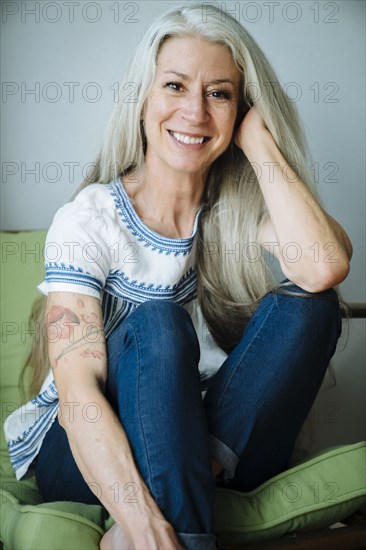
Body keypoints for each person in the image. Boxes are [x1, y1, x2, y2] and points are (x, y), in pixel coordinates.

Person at [4, 3, 352, 549]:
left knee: (313, 305)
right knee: (157, 322)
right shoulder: (90, 218)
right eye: (174, 86)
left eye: (219, 93)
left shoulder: (240, 210)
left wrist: (260, 142)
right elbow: (77, 395)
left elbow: (326, 264)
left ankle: (184, 478)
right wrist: (141, 522)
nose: (195, 111)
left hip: (200, 435)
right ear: (141, 99)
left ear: (241, 109)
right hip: (80, 446)